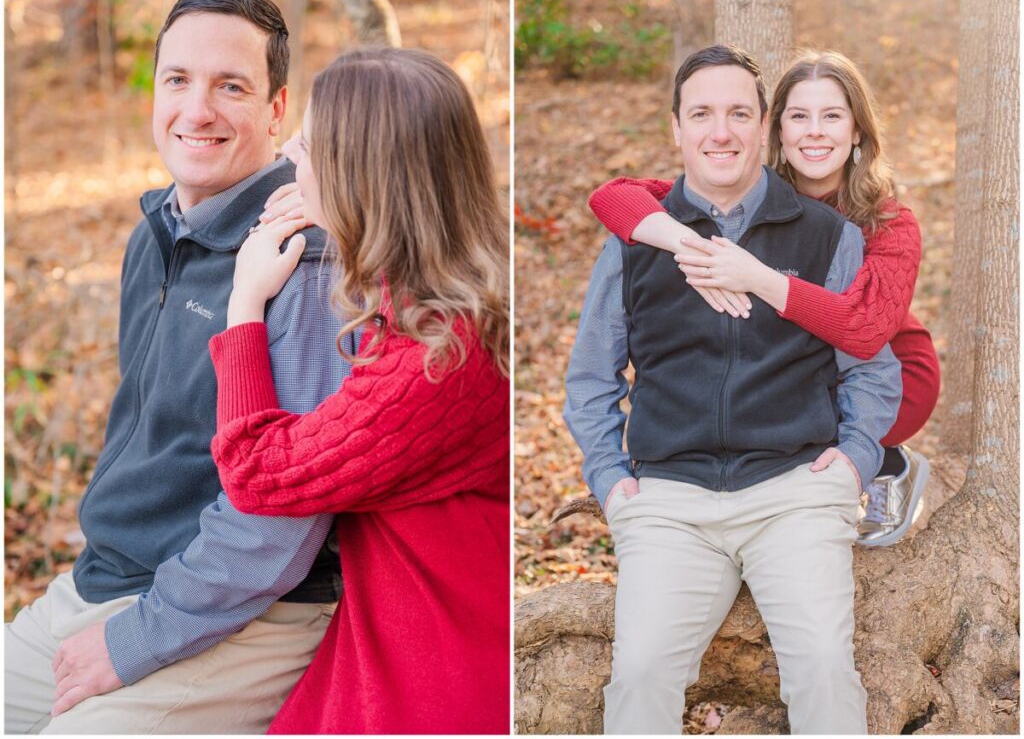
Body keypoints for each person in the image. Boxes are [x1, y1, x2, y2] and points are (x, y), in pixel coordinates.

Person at [4, 0, 350, 734]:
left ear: (276, 108)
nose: (197, 111)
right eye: (178, 81)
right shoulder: (154, 230)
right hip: (109, 578)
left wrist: (136, 639)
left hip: (247, 609)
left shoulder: (300, 257)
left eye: (232, 86)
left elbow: (282, 518)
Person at [564, 44, 902, 734]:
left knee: (825, 669)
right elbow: (593, 375)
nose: (721, 131)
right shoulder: (634, 239)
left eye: (739, 113)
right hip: (670, 500)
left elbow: (869, 364)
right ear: (677, 129)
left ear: (764, 127)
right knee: (639, 674)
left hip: (794, 491)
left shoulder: (828, 234)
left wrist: (856, 460)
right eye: (703, 114)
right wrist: (609, 478)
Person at [207, 47, 510, 734]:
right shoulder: (456, 294)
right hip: (401, 638)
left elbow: (258, 472)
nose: (287, 151)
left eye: (310, 147)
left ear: (363, 178)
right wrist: (339, 218)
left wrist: (245, 303)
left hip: (433, 677)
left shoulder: (440, 358)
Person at [588, 49, 940, 547]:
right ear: (776, 130)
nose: (814, 131)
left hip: (894, 367)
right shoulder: (753, 192)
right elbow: (613, 196)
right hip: (807, 364)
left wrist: (756, 276)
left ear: (858, 130)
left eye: (833, 116)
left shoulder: (890, 223)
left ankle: (887, 462)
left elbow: (864, 330)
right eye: (799, 116)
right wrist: (691, 247)